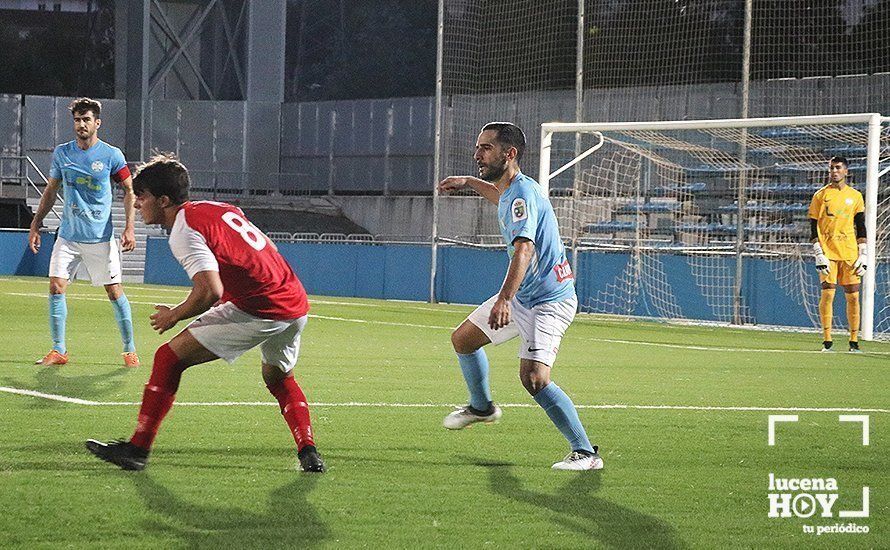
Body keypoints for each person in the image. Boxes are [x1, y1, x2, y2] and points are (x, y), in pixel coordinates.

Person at [86, 153, 325, 473]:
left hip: (261, 308)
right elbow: (258, 248)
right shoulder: (216, 208)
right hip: (293, 302)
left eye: (141, 197)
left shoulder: (183, 230)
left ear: (164, 200)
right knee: (278, 378)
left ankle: (137, 449)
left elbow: (209, 291)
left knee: (167, 359)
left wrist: (175, 315)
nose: (138, 203)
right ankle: (308, 450)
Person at [437, 122, 602, 471]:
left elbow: (524, 250)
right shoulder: (512, 191)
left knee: (534, 379)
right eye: (478, 147)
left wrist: (504, 300)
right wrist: (468, 182)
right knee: (463, 340)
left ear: (508, 154)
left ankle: (586, 454)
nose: (477, 154)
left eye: (485, 148)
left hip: (548, 301)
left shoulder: (524, 195)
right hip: (526, 295)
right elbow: (499, 198)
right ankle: (481, 408)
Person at [28, 97, 139, 368]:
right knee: (56, 287)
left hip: (100, 238)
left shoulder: (112, 155)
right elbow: (51, 191)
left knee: (114, 292)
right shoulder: (62, 153)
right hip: (67, 236)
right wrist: (36, 223)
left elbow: (128, 190)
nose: (81, 124)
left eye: (86, 119)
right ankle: (59, 350)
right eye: (77, 119)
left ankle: (130, 350)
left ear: (97, 123)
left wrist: (129, 227)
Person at [809, 156, 868, 353]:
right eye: (831, 168)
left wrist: (864, 253)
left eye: (838, 168)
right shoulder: (821, 195)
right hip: (828, 253)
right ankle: (827, 341)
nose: (834, 171)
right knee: (828, 294)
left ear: (846, 171)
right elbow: (812, 226)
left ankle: (854, 341)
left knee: (853, 297)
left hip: (850, 253)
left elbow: (860, 226)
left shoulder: (856, 196)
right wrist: (818, 252)